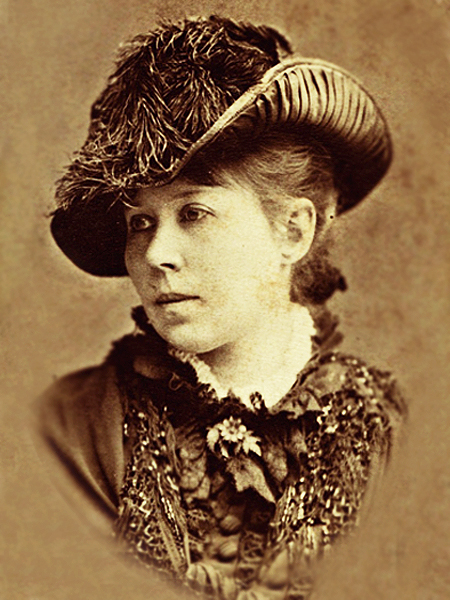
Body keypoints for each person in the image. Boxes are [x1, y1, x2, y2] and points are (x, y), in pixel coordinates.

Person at [37, 15, 406, 600]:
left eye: (194, 213)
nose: (155, 254)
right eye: (140, 222)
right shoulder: (69, 431)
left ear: (292, 231)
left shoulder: (392, 432)